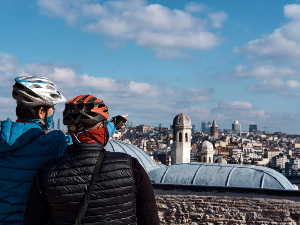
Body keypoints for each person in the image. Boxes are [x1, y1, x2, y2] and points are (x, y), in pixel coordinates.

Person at [24, 94, 160, 225]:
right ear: (102, 127)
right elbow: (150, 220)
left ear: (70, 130)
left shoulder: (47, 173)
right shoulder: (130, 166)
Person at [0, 76, 68, 224]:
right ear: (41, 112)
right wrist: (112, 126)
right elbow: (83, 144)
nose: (54, 111)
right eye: (52, 108)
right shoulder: (53, 142)